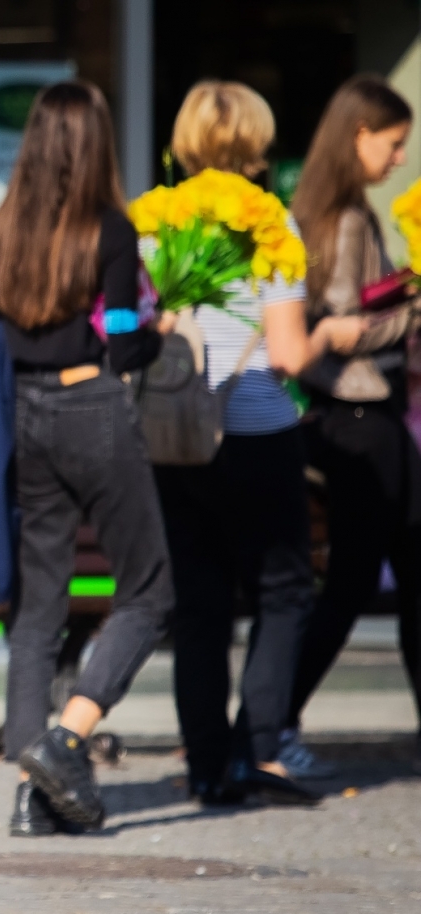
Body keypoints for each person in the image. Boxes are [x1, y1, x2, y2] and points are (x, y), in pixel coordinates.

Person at [151, 82, 368, 804]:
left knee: (200, 605)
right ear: (257, 143)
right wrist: (333, 335)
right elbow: (287, 354)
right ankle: (258, 745)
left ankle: (206, 767)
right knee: (283, 593)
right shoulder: (269, 228)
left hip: (176, 441)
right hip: (255, 431)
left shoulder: (158, 227)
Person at [0, 81, 174, 833]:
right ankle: (66, 740)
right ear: (95, 147)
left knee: (37, 609)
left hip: (23, 416)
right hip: (93, 408)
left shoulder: (5, 229)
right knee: (151, 590)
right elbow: (124, 341)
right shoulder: (109, 232)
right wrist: (164, 329)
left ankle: (31, 800)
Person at [288, 76, 420, 747]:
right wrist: (413, 309)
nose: (400, 159)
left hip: (360, 421)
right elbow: (342, 325)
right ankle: (271, 722)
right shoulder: (345, 219)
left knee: (381, 580)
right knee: (350, 586)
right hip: (363, 418)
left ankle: (271, 721)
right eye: (394, 144)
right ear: (359, 136)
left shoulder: (327, 212)